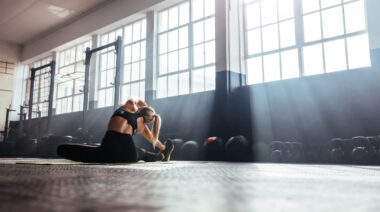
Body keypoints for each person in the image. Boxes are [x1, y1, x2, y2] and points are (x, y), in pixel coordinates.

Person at [57, 98, 174, 163]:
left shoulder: (129, 106)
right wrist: (163, 148)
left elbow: (137, 100)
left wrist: (145, 107)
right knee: (142, 153)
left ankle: (162, 155)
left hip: (108, 145)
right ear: (148, 120)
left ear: (142, 109)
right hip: (128, 155)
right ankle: (162, 156)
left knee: (70, 150)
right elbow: (153, 140)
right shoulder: (142, 127)